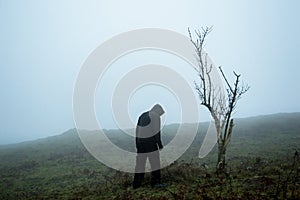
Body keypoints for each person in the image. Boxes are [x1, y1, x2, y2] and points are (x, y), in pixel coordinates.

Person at [133, 104, 165, 189]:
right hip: (150, 143)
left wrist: (137, 144)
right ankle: (156, 183)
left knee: (140, 164)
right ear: (158, 110)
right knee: (155, 163)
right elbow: (156, 131)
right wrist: (160, 144)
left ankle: (136, 184)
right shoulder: (155, 116)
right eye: (161, 114)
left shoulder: (142, 115)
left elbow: (137, 130)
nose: (160, 115)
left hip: (140, 143)